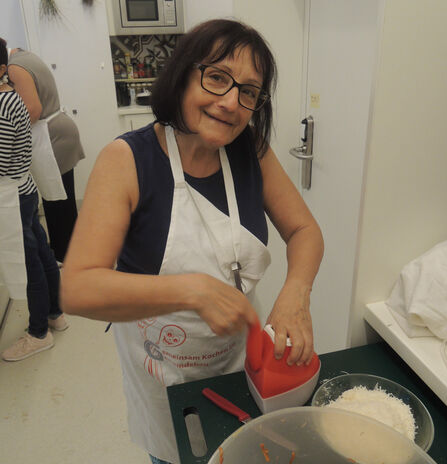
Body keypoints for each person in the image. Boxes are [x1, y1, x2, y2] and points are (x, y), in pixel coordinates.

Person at [60, 19, 324, 464]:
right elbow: (77, 288)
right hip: (165, 374)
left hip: (240, 364)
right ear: (182, 74)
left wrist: (296, 294)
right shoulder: (127, 160)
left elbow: (304, 231)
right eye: (217, 77)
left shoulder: (251, 151)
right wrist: (192, 289)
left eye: (248, 92)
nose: (230, 102)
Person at [0, 38, 68, 362]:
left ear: (3, 69)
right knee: (42, 253)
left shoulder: (2, 107)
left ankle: (39, 333)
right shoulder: (13, 99)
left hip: (11, 195)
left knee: (29, 265)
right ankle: (55, 313)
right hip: (25, 187)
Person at [7, 43, 85, 263]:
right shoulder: (24, 56)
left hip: (53, 137)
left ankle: (65, 256)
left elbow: (32, 109)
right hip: (58, 132)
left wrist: (11, 135)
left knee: (57, 201)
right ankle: (67, 251)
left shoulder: (15, 67)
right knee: (61, 200)